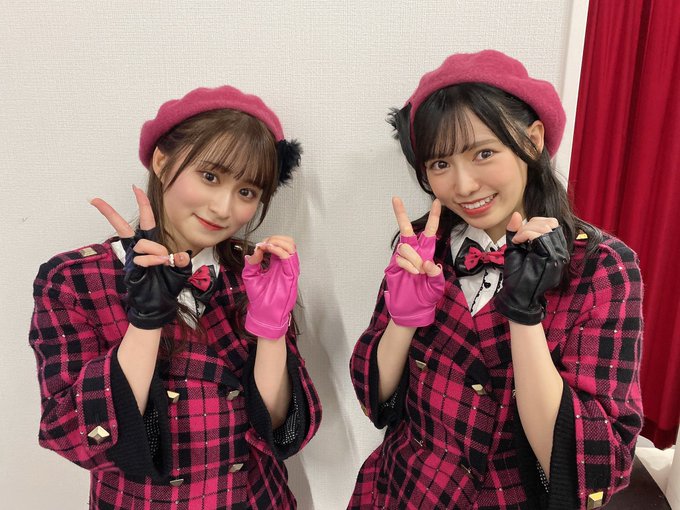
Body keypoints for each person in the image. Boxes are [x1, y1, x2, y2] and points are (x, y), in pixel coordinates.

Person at [349, 50, 643, 509]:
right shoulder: (424, 247)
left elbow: (590, 466)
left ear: (531, 140)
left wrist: (524, 314)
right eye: (440, 164)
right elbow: (376, 400)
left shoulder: (602, 268)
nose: (464, 186)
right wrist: (403, 321)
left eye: (483, 153)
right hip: (404, 490)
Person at [29, 85, 321, 509]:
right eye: (210, 176)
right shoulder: (74, 280)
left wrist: (271, 327)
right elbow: (71, 435)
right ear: (162, 162)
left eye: (247, 192)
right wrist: (146, 321)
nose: (223, 208)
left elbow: (280, 429)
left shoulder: (253, 273)